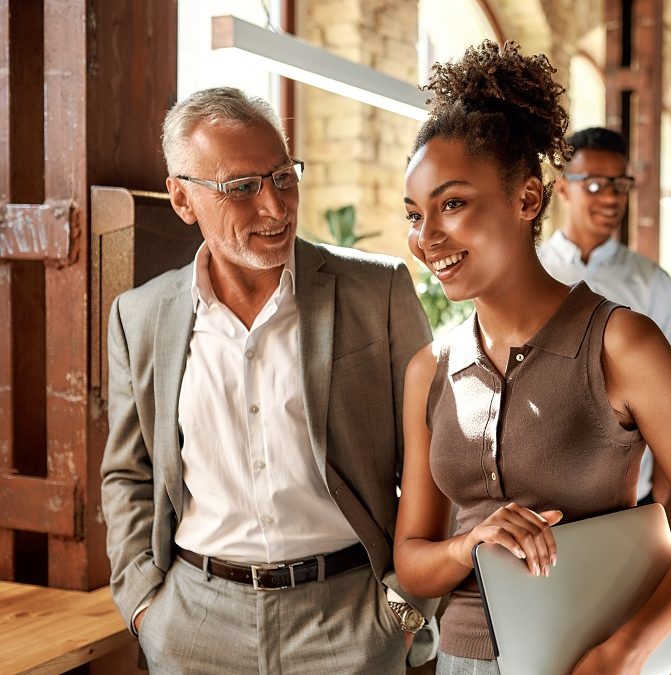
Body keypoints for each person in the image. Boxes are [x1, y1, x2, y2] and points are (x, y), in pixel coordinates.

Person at [392, 41, 671, 674]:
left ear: (528, 200)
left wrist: (624, 652)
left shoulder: (621, 342)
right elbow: (413, 561)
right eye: (415, 214)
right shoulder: (431, 368)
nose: (427, 237)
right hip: (462, 662)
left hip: (592, 656)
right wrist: (470, 544)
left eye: (452, 204)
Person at [100, 86, 435, 673]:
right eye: (242, 188)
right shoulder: (141, 317)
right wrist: (145, 608)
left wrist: (404, 609)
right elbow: (129, 473)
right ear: (182, 198)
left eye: (283, 177)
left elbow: (436, 459)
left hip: (349, 620)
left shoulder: (377, 293)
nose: (276, 208)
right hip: (194, 624)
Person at [539, 126, 671, 506]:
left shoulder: (652, 282)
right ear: (563, 187)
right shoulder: (529, 269)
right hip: (540, 490)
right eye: (593, 184)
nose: (609, 197)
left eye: (619, 185)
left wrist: (663, 493)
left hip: (631, 490)